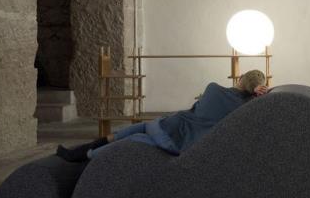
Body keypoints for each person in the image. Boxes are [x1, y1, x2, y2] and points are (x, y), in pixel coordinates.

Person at [56, 69, 269, 162]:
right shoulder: (244, 107)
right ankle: (84, 153)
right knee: (136, 130)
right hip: (176, 136)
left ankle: (87, 155)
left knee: (134, 135)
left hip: (173, 139)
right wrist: (256, 92)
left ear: (240, 78)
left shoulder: (214, 89)